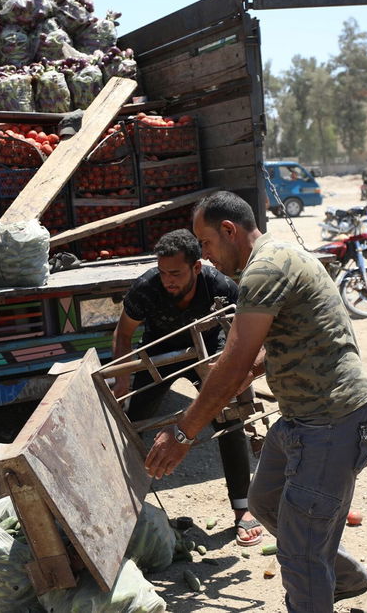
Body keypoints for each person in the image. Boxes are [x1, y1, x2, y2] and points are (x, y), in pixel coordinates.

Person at [144, 191, 367, 612]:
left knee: (301, 558)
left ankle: (318, 583)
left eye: (206, 243)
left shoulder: (266, 268)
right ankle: (344, 577)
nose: (206, 255)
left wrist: (183, 431)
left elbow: (233, 363)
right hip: (302, 419)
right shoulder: (274, 259)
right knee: (265, 503)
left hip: (333, 421)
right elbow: (273, 348)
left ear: (230, 230)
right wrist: (240, 378)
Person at [112, 229, 265, 547]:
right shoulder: (146, 288)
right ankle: (124, 507)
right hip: (159, 353)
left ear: (196, 267)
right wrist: (122, 377)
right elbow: (123, 333)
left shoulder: (219, 285)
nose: (167, 279)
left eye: (176, 273)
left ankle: (241, 509)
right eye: (163, 271)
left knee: (228, 417)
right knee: (131, 423)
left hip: (208, 353)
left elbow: (247, 329)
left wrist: (238, 376)